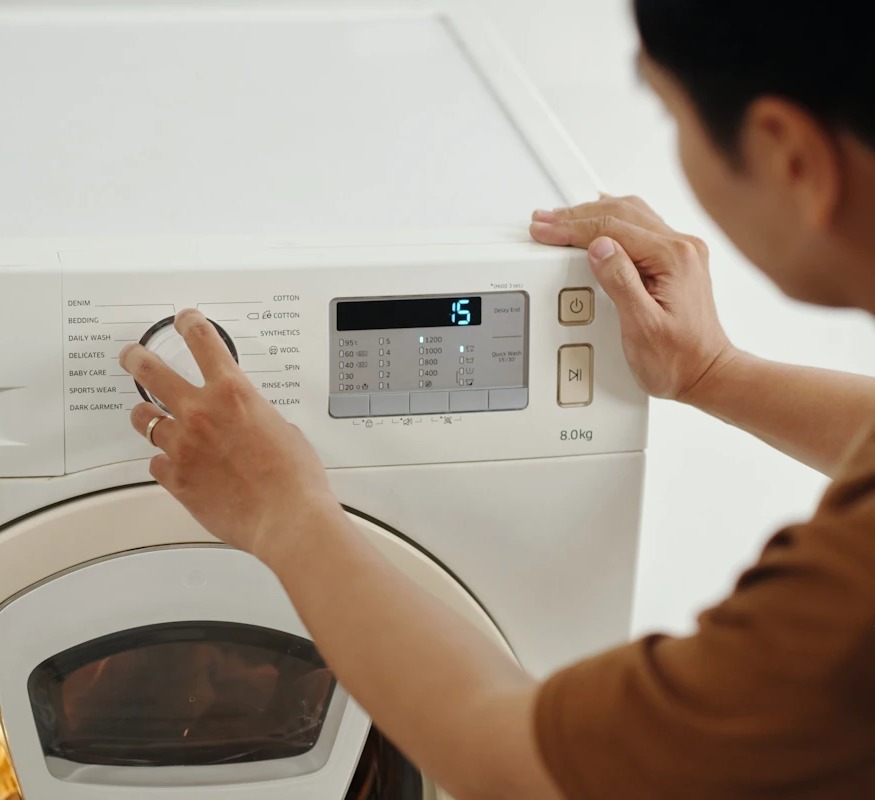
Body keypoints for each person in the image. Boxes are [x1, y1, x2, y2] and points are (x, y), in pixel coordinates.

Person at [120, 1, 875, 796]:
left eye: (667, 114)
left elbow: (524, 768)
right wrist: (715, 371)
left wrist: (285, 512)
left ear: (789, 157)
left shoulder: (845, 604)